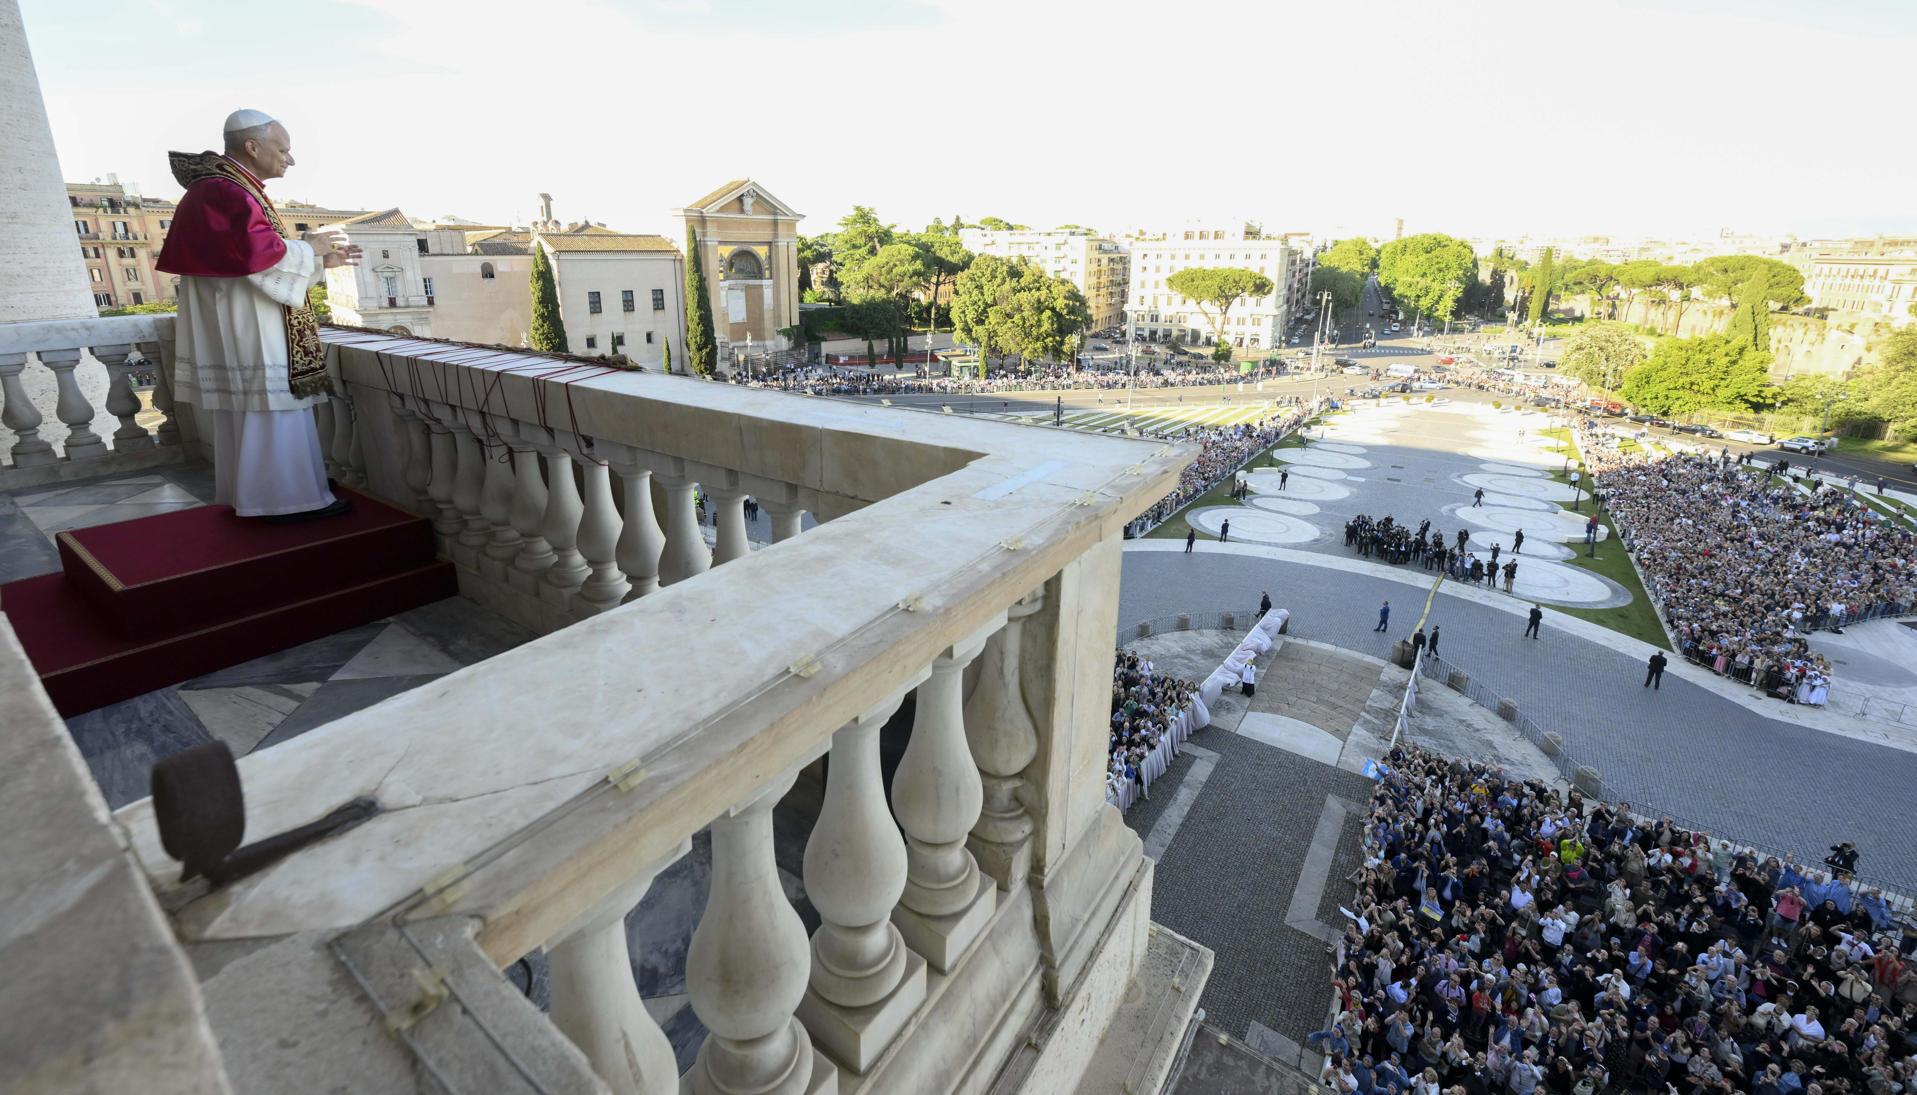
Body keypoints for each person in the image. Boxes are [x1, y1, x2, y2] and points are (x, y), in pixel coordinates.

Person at [157, 109, 361, 521]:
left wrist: (324, 262)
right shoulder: (226, 190)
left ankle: (276, 488)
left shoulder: (223, 186)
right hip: (250, 322)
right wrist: (310, 245)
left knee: (255, 410)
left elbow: (256, 256)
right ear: (252, 147)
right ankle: (284, 498)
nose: (290, 159)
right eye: (283, 149)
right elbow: (256, 257)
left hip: (242, 315)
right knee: (271, 405)